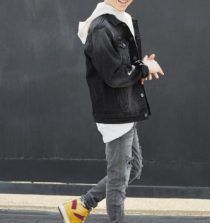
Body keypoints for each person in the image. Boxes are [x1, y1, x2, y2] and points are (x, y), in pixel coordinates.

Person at [58, 0, 164, 223]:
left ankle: (80, 206)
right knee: (118, 179)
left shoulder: (120, 20)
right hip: (116, 111)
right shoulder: (101, 28)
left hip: (127, 107)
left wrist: (141, 65)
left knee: (133, 168)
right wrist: (144, 69)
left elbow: (123, 66)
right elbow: (115, 75)